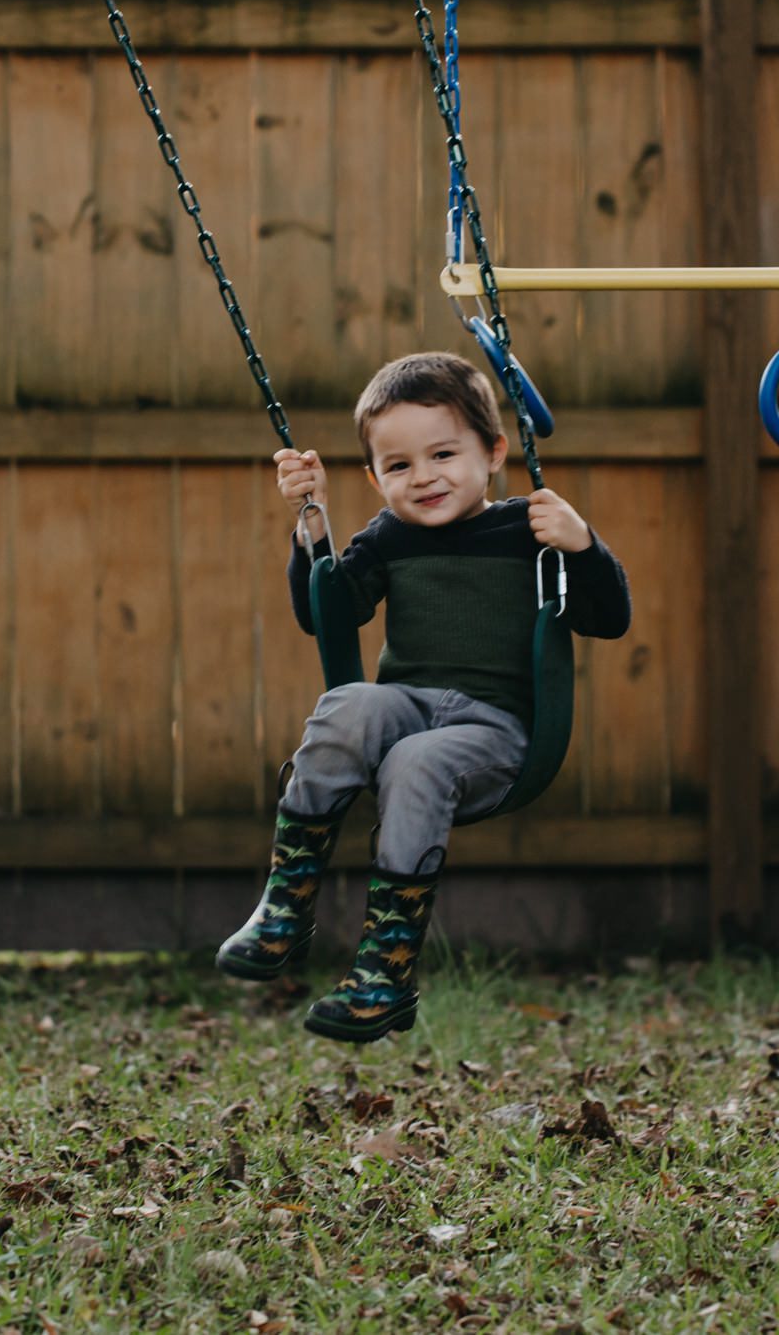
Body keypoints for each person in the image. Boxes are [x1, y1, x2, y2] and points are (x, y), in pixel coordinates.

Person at [215, 351, 632, 1041]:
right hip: (406, 705)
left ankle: (386, 971)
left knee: (417, 761)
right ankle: (286, 906)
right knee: (350, 704)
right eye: (400, 465)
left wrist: (582, 545)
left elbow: (608, 617)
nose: (425, 476)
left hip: (495, 734)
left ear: (493, 452)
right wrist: (311, 526)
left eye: (443, 453)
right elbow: (331, 612)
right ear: (375, 478)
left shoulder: (529, 532)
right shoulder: (388, 536)